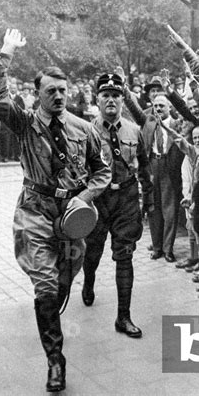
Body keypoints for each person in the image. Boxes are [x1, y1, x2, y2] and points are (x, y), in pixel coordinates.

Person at [0, 29, 111, 392]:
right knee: (45, 285)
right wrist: (7, 51)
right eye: (50, 91)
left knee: (63, 282)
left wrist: (85, 196)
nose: (58, 96)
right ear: (38, 94)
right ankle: (55, 361)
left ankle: (53, 306)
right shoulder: (24, 123)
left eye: (62, 90)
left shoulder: (84, 129)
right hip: (35, 214)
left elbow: (103, 171)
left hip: (71, 219)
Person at [81, 73, 153, 338]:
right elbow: (78, 170)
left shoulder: (134, 130)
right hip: (98, 201)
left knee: (125, 255)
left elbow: (144, 165)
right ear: (97, 100)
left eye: (116, 96)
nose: (111, 100)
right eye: (105, 95)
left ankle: (124, 317)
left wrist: (150, 200)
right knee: (93, 251)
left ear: (123, 100)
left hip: (126, 198)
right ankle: (88, 282)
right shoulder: (86, 131)